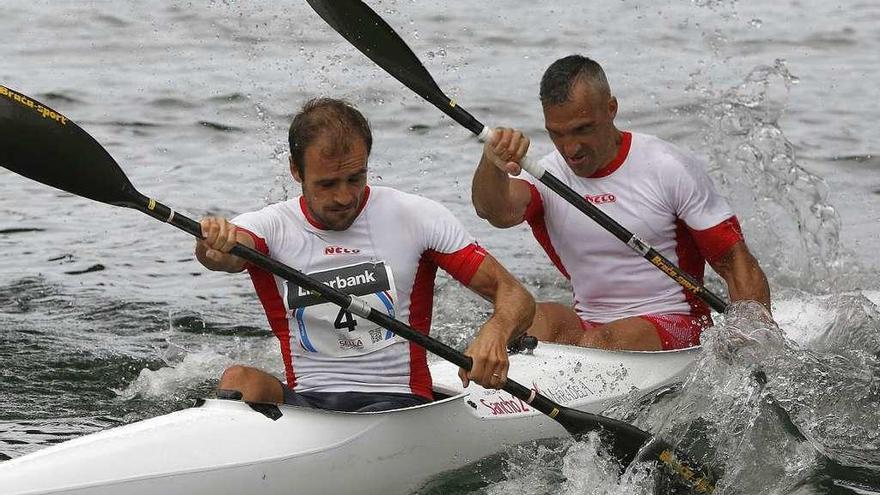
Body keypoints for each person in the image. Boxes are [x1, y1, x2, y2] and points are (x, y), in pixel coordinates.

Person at [196, 97, 535, 412]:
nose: (345, 197)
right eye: (327, 184)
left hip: (399, 401)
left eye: (355, 178)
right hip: (309, 402)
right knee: (238, 381)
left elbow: (516, 296)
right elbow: (222, 256)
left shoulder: (416, 217)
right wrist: (213, 242)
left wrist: (496, 333)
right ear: (296, 172)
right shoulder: (270, 226)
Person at [471, 55, 770, 351]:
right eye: (557, 135)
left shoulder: (668, 167)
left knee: (599, 343)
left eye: (583, 129)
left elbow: (737, 265)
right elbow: (494, 211)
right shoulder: (546, 176)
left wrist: (755, 347)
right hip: (591, 325)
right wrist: (492, 162)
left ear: (611, 109)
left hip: (678, 323)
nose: (570, 148)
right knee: (524, 322)